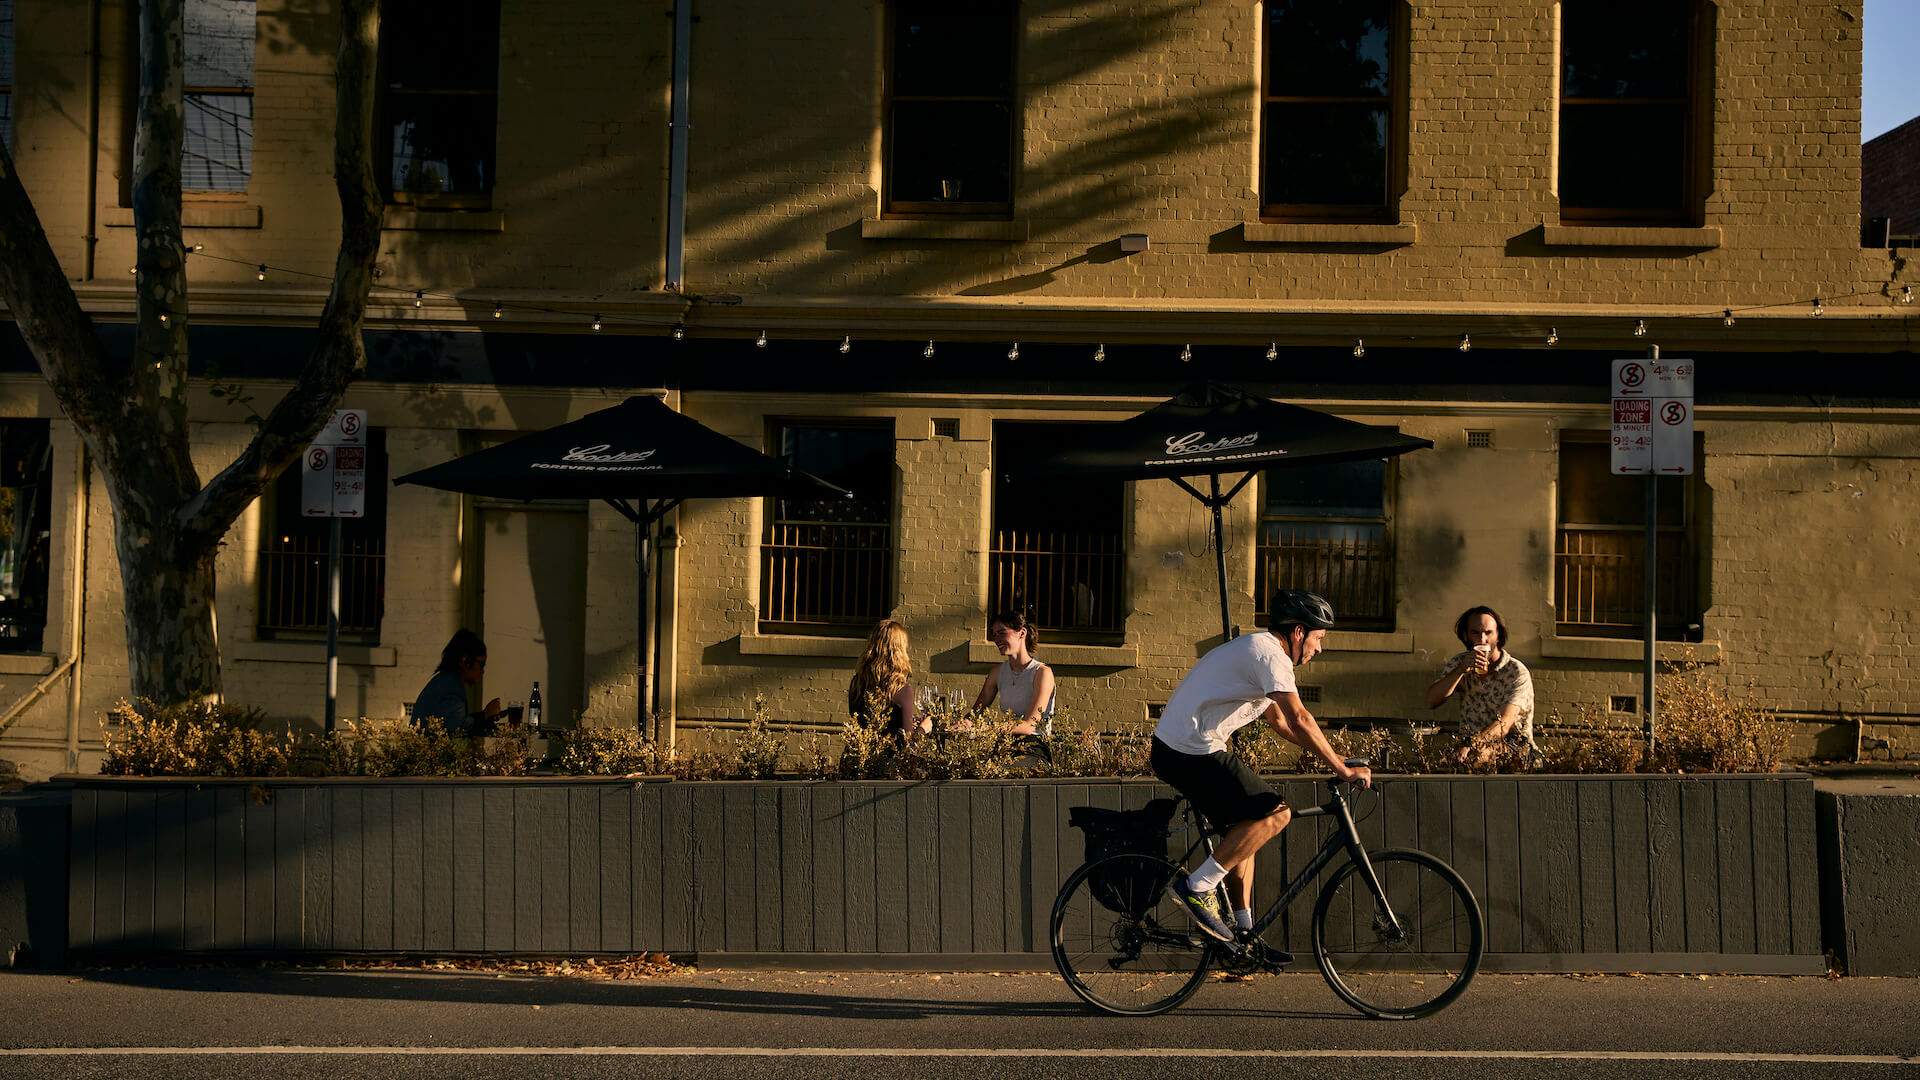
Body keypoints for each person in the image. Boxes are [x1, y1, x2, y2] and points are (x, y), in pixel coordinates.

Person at [1151, 589, 1372, 948]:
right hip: (1189, 750)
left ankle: (1242, 932)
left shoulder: (1258, 652)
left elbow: (1282, 724)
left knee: (1247, 830)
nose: (1319, 648)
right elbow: (1300, 717)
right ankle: (1197, 887)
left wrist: (1334, 759)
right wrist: (1343, 770)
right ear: (1298, 633)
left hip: (1183, 749)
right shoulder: (1270, 655)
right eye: (1318, 638)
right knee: (1276, 814)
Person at [1426, 605, 1539, 768]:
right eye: (1475, 633)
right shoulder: (1460, 663)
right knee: (1439, 766)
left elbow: (1505, 723)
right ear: (1466, 636)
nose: (1483, 640)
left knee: (1477, 757)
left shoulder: (1515, 672)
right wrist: (1460, 671)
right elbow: (1431, 701)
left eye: (1488, 632)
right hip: (1468, 748)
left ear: (1498, 636)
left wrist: (1474, 744)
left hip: (1513, 747)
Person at [972, 609, 1057, 738]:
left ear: (1022, 633)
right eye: (994, 635)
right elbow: (975, 713)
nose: (997, 639)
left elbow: (1030, 725)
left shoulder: (1042, 673)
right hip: (1006, 741)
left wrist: (987, 728)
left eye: (1002, 633)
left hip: (1035, 745)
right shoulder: (997, 673)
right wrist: (963, 723)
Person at [412, 629, 504, 737]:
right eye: (481, 664)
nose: (482, 671)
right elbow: (457, 730)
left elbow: (453, 722)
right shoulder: (451, 687)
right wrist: (485, 714)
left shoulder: (445, 680)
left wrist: (485, 716)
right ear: (465, 660)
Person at [848, 618, 921, 746]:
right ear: (899, 650)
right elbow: (907, 742)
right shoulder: (902, 689)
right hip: (887, 762)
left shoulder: (857, 684)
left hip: (858, 758)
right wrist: (924, 728)